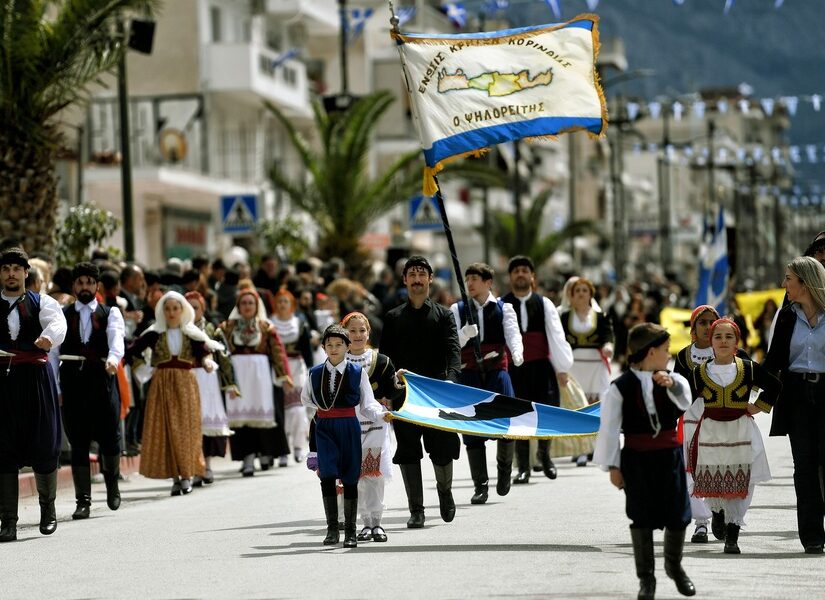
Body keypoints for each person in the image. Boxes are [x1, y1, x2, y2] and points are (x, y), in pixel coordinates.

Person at [593, 323, 695, 600]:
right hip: (636, 460)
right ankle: (646, 579)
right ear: (651, 352)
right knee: (641, 515)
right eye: (665, 350)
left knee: (678, 515)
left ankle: (674, 566)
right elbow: (610, 429)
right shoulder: (620, 388)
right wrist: (613, 467)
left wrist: (673, 384)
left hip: (669, 457)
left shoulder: (672, 380)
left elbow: (686, 401)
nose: (668, 355)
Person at [379, 256, 461, 528]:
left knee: (442, 448)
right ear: (404, 280)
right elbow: (385, 359)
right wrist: (386, 391)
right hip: (405, 394)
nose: (416, 278)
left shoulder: (444, 315)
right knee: (408, 450)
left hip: (437, 392)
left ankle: (445, 491)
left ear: (430, 278)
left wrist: (451, 380)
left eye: (421, 273)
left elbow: (453, 352)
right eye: (411, 274)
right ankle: (416, 510)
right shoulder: (392, 318)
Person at [688, 318, 781, 554]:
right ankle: (717, 512)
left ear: (736, 342)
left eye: (729, 337)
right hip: (711, 432)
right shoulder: (699, 372)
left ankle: (733, 534)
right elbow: (682, 397)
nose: (723, 341)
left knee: (742, 482)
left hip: (741, 431)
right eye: (718, 337)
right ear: (710, 341)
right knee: (713, 478)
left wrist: (757, 406)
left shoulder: (748, 368)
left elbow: (775, 385)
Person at [0, 248, 66, 542]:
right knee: (3, 449)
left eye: (16, 268)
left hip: (36, 379)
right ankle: (8, 523)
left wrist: (48, 336)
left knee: (43, 441)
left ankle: (47, 511)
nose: (11, 273)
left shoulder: (42, 301)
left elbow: (58, 323)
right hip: (2, 382)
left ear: (26, 273)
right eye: (6, 269)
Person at [126, 291, 221, 495]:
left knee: (187, 429)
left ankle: (187, 474)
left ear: (182, 310)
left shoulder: (191, 333)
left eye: (175, 309)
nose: (171, 313)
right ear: (162, 310)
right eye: (167, 309)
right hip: (162, 384)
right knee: (167, 430)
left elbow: (203, 351)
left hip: (186, 384)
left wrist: (206, 363)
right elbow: (132, 350)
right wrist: (144, 369)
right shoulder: (155, 332)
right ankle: (176, 478)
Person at [301, 324, 387, 548]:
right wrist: (322, 410)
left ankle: (350, 531)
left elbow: (367, 403)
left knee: (350, 475)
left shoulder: (357, 373)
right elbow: (306, 398)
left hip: (349, 425)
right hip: (325, 427)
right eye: (329, 345)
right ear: (323, 347)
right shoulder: (315, 373)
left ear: (347, 347)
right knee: (327, 474)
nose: (334, 348)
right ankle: (332, 529)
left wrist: (381, 414)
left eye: (339, 344)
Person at [51, 262, 124, 519]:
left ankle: (112, 485)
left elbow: (117, 341)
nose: (85, 287)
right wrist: (57, 387)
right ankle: (83, 501)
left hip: (102, 379)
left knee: (110, 439)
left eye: (89, 283)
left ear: (96, 285)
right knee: (79, 441)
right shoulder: (62, 313)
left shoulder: (110, 313)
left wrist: (113, 361)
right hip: (73, 383)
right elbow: (53, 353)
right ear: (74, 286)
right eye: (80, 283)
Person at [763, 256, 825, 554]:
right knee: (804, 467)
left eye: (788, 278)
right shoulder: (786, 315)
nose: (783, 284)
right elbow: (773, 361)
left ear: (805, 282)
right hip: (797, 397)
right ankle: (812, 536)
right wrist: (750, 396)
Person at [673, 304, 750, 544]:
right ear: (694, 328)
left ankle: (723, 512)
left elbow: (753, 380)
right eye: (702, 323)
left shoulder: (732, 354)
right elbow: (679, 390)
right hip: (692, 419)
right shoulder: (684, 356)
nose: (707, 327)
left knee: (723, 465)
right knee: (694, 471)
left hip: (723, 420)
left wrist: (751, 405)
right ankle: (701, 523)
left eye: (711, 322)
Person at [449, 263, 523, 504]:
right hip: (469, 373)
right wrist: (464, 335)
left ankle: (504, 471)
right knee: (472, 430)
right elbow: (451, 346)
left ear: (488, 282)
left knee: (507, 421)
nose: (469, 283)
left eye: (475, 278)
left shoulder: (504, 308)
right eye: (467, 278)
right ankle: (480, 485)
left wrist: (517, 352)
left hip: (496, 370)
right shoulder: (458, 309)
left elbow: (512, 333)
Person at [500, 256, 573, 483]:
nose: (520, 274)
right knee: (518, 415)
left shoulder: (544, 303)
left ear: (532, 277)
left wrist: (562, 367)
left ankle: (545, 455)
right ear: (510, 277)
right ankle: (523, 467)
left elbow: (556, 336)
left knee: (546, 412)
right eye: (516, 271)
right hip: (515, 369)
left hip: (542, 368)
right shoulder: (501, 304)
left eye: (525, 271)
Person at [220, 289, 293, 476]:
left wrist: (284, 376)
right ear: (238, 306)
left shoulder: (266, 327)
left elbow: (278, 352)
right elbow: (219, 351)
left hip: (259, 377)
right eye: (243, 303)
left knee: (261, 417)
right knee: (240, 418)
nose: (247, 307)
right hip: (237, 376)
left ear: (256, 306)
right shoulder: (226, 327)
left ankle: (264, 454)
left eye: (250, 303)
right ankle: (247, 458)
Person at [341, 312, 397, 543]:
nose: (357, 335)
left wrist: (397, 383)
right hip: (347, 422)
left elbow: (392, 391)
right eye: (352, 331)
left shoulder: (381, 361)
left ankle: (377, 522)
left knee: (374, 474)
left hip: (375, 422)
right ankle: (364, 522)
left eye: (362, 330)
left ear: (368, 332)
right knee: (356, 476)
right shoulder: (338, 361)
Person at [559, 276, 613, 467]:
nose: (581, 295)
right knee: (577, 407)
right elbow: (559, 341)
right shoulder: (564, 317)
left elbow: (608, 336)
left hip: (595, 367)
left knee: (597, 407)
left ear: (590, 294)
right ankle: (580, 448)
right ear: (571, 296)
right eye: (577, 291)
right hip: (574, 367)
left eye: (585, 291)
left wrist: (608, 347)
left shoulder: (601, 317)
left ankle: (595, 448)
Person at [185, 291, 237, 485]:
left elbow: (223, 356)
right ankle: (193, 468)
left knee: (206, 423)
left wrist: (230, 382)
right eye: (188, 307)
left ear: (203, 309)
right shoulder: (181, 328)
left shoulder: (210, 328)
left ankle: (206, 465)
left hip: (207, 379)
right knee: (191, 423)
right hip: (188, 377)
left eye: (195, 307)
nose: (192, 311)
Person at [270, 288, 313, 463]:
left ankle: (297, 446)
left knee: (296, 410)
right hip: (277, 369)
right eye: (279, 301)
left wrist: (311, 371)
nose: (282, 305)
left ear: (291, 305)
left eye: (285, 301)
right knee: (280, 412)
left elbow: (307, 350)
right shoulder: (270, 324)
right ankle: (282, 450)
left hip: (296, 368)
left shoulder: (299, 323)